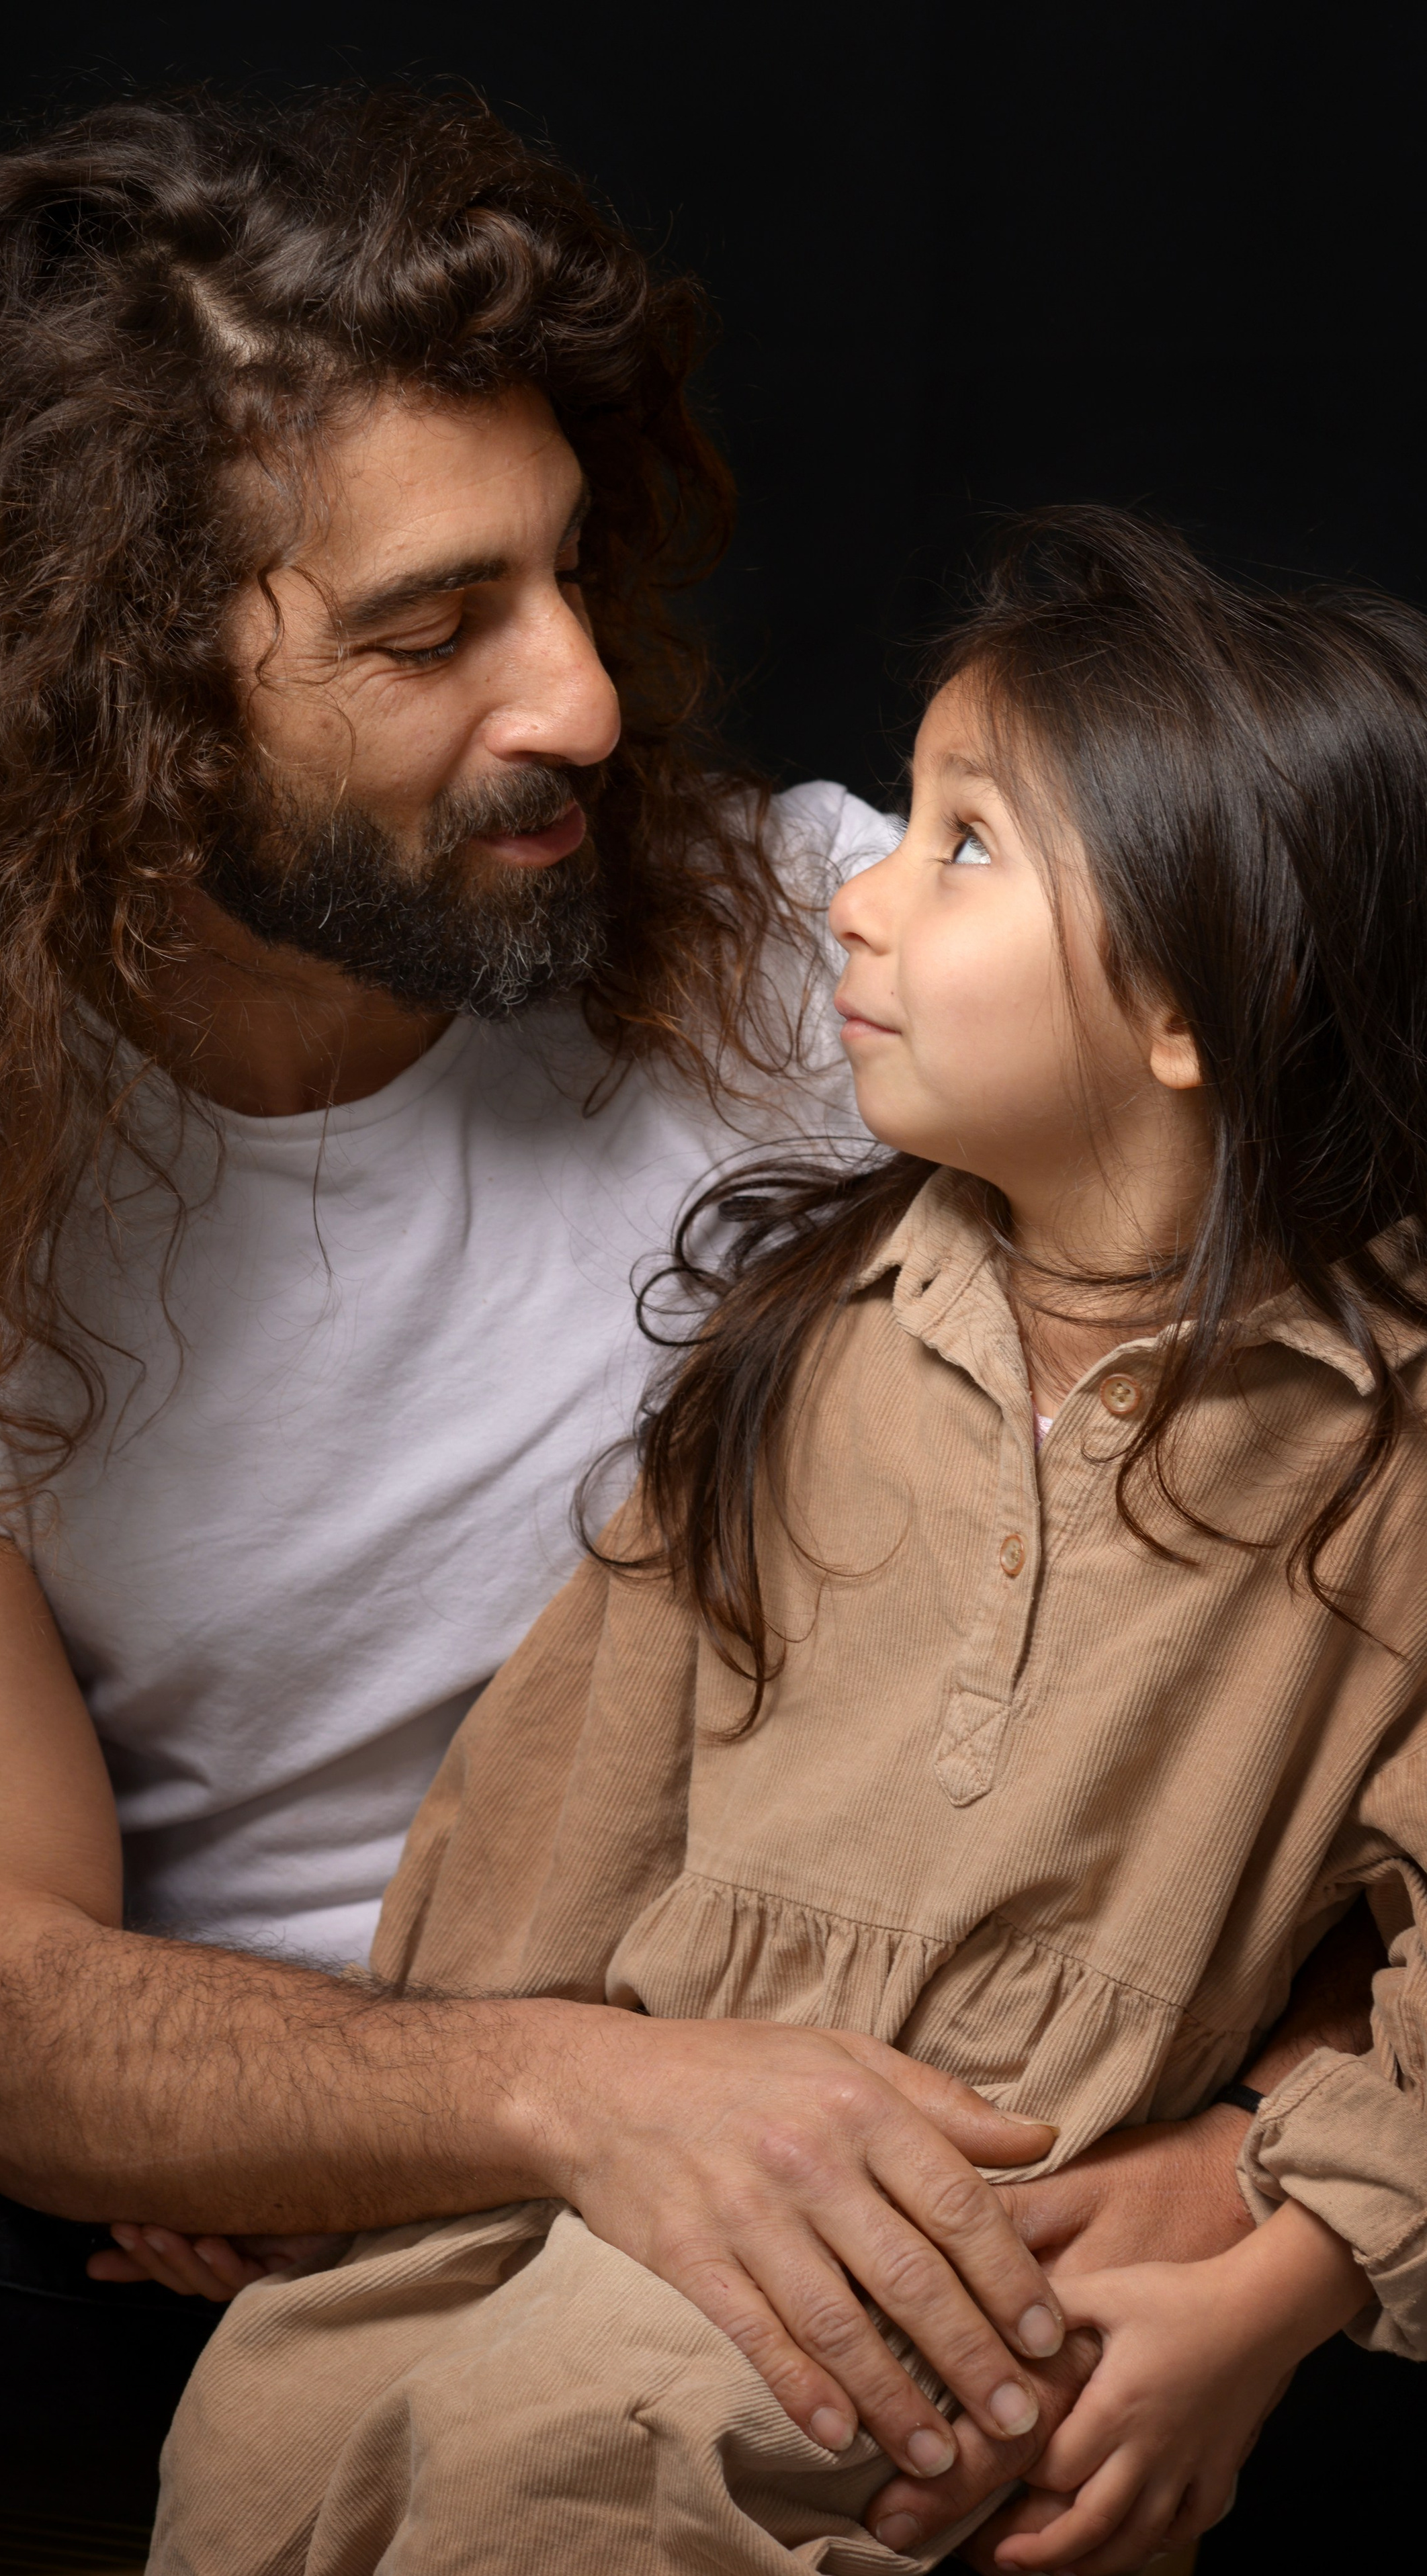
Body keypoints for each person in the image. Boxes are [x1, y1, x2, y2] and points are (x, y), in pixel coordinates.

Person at [0, 91, 1369, 2572]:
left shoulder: (838, 958)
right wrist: (566, 2097)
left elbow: (1332, 1560)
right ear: (104, 697)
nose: (583, 697)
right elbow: (8, 2004)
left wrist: (1261, 2179)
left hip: (919, 2183)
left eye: (568, 570)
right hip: (231, 2231)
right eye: (431, 627)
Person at [149, 509, 1427, 2576]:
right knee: (269, 2421)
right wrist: (362, 2145)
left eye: (965, 844)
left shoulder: (1385, 1453)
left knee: (551, 2461)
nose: (859, 894)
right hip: (664, 2116)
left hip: (975, 2208)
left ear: (1193, 1005)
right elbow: (574, 1784)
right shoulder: (804, 1331)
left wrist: (1273, 2283)